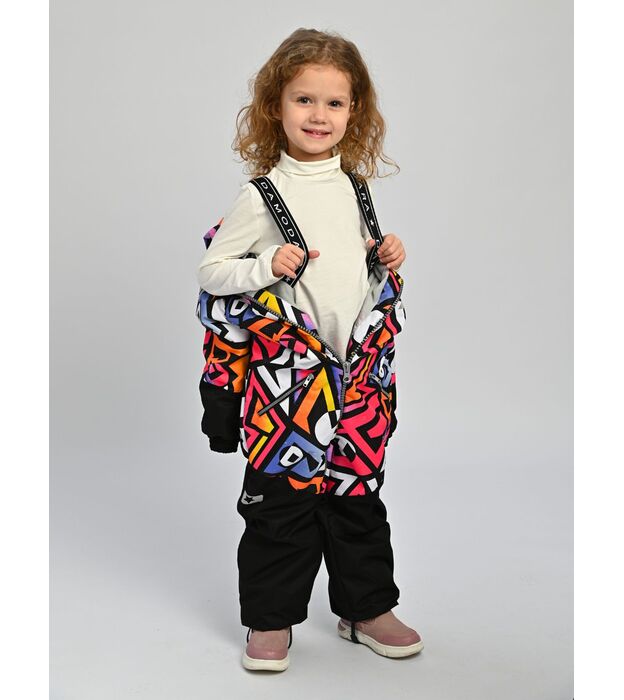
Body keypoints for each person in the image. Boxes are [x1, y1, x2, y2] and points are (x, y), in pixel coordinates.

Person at [196, 27, 423, 672]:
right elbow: (212, 271)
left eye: (334, 103)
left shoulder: (356, 188)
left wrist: (386, 254)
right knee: (280, 507)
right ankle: (270, 620)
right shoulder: (262, 195)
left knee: (359, 502)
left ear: (355, 112)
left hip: (356, 383)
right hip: (286, 388)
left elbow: (355, 274)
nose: (318, 115)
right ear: (276, 106)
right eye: (303, 99)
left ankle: (365, 607)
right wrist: (265, 264)